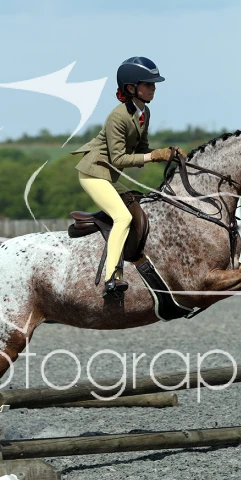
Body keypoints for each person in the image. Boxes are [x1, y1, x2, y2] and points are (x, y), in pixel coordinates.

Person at [71, 57, 185, 300]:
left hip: (108, 176)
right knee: (122, 217)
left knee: (140, 203)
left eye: (154, 84)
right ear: (131, 88)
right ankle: (111, 279)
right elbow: (119, 158)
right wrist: (154, 156)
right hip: (93, 173)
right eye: (148, 84)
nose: (153, 88)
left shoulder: (145, 112)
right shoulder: (117, 117)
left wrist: (167, 154)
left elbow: (142, 150)